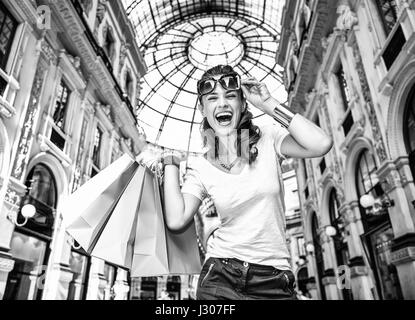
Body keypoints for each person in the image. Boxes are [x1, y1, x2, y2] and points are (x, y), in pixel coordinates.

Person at [140, 65, 332, 300]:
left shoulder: (268, 138)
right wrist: (171, 164)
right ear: (203, 108)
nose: (222, 104)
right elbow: (177, 219)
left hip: (274, 280)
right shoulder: (200, 167)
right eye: (212, 98)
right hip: (220, 278)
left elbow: (320, 144)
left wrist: (268, 103)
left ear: (242, 104)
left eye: (230, 96)